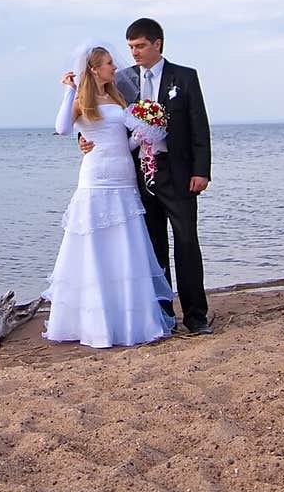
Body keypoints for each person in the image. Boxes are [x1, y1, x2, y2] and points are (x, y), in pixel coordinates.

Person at [82, 17, 212, 335]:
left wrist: (201, 171)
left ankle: (196, 317)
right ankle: (161, 315)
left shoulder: (185, 77)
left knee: (186, 242)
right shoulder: (123, 80)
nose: (134, 52)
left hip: (178, 173)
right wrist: (83, 139)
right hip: (138, 173)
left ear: (157, 44)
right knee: (152, 247)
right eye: (130, 47)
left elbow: (200, 127)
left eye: (140, 46)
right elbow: (100, 117)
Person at [44, 40, 175, 349]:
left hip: (123, 178)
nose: (115, 67)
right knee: (96, 248)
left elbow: (122, 139)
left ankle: (129, 320)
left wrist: (143, 136)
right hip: (96, 178)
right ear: (94, 69)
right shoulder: (81, 100)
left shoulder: (117, 98)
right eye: (108, 64)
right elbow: (62, 128)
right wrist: (69, 90)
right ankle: (94, 322)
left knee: (125, 247)